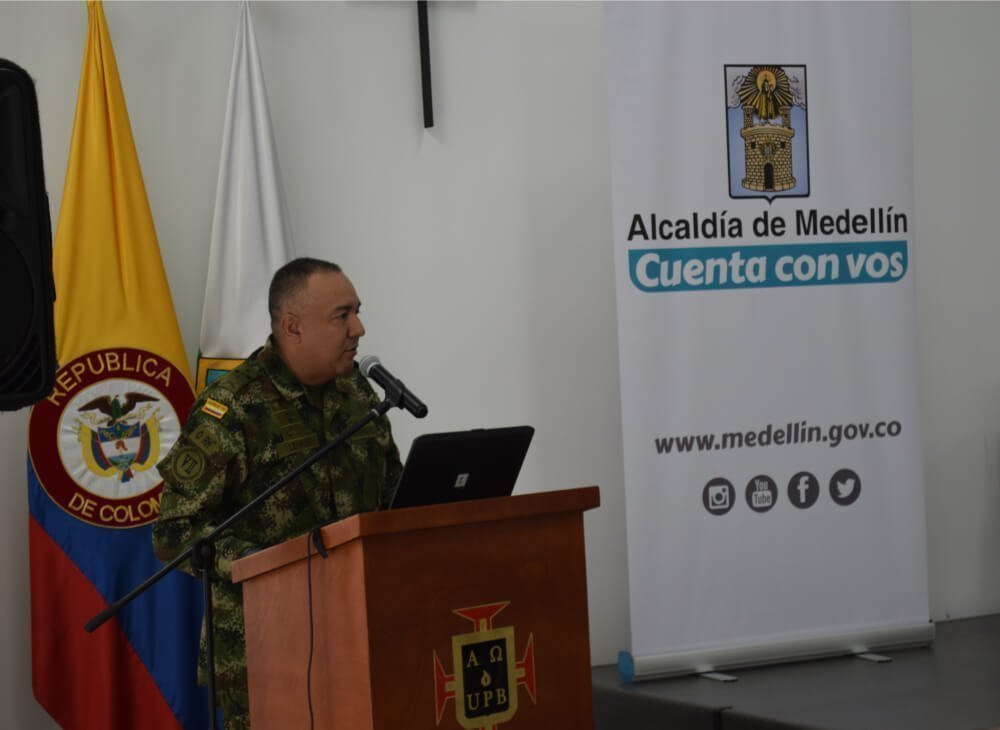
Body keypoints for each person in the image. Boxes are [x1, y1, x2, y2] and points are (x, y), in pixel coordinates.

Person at [153, 257, 402, 729]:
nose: (359, 329)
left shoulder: (359, 395)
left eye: (357, 312)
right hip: (266, 652)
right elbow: (174, 533)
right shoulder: (232, 410)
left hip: (361, 633)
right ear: (293, 326)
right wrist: (274, 563)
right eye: (342, 315)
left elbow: (393, 495)